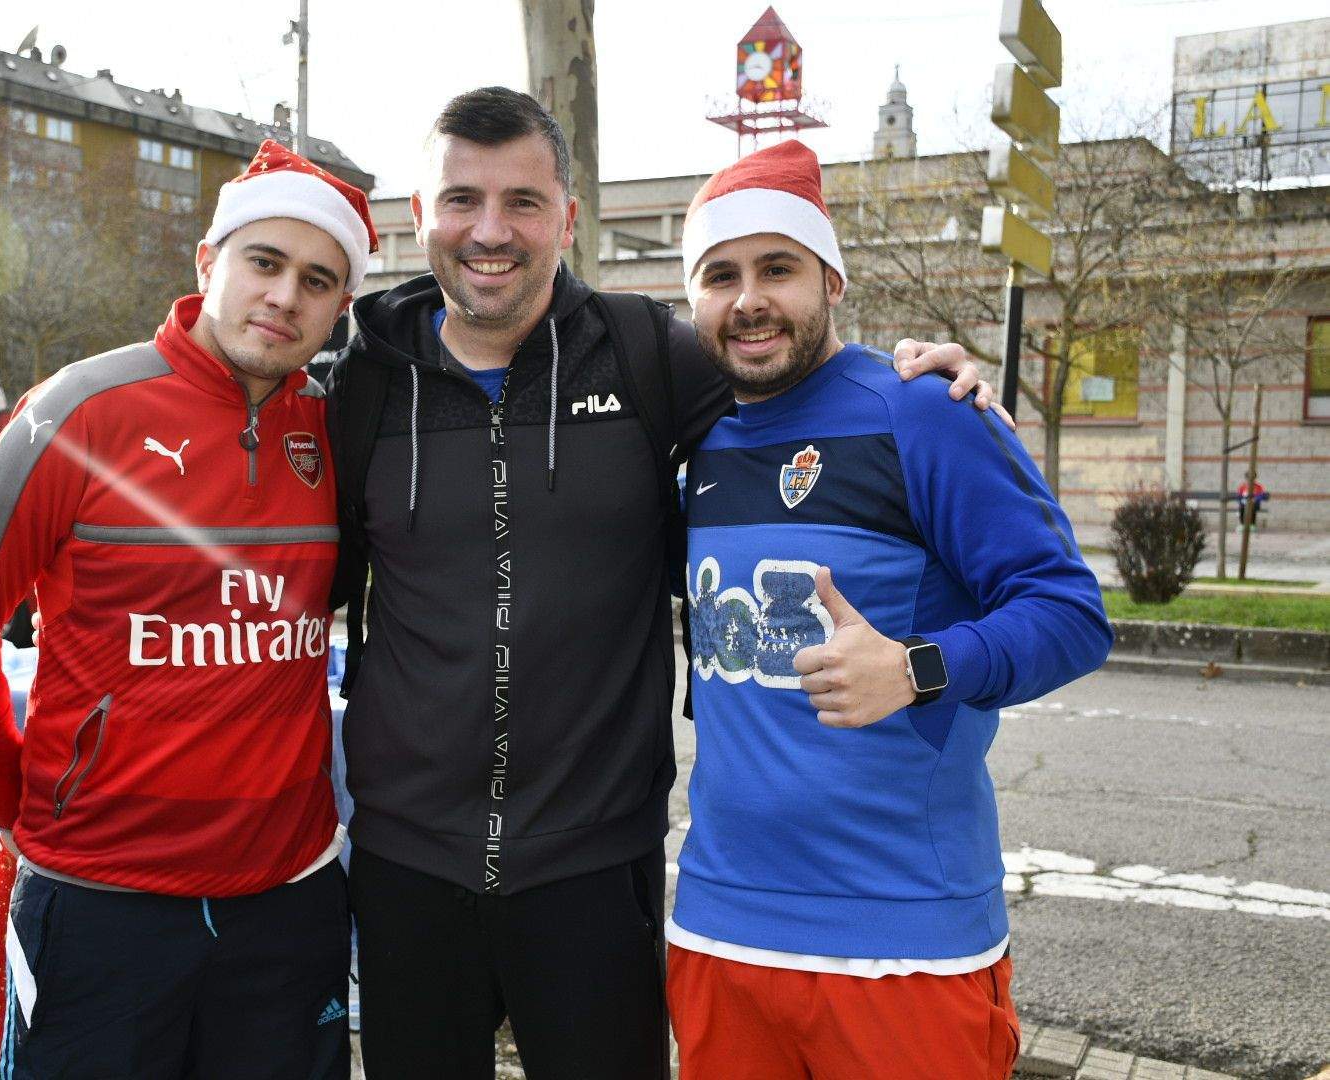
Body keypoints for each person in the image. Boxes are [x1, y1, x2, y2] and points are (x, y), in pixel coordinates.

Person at [326, 87, 1004, 1080]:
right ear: (417, 219)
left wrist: (938, 385)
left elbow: (791, 366)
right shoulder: (358, 381)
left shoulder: (650, 354)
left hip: (595, 871)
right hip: (408, 868)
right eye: (460, 200)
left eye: (522, 201)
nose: (490, 230)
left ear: (567, 217)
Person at [0, 140, 375, 1080]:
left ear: (340, 308)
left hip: (289, 896)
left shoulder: (338, 431)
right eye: (264, 263)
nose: (285, 297)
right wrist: (18, 799)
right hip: (100, 896)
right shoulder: (77, 410)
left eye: (317, 281)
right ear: (209, 264)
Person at [666, 138, 1113, 1079]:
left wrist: (918, 668)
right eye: (720, 275)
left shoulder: (923, 409)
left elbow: (1070, 611)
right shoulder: (697, 441)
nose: (748, 299)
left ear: (830, 279)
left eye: (776, 268)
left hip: (905, 942)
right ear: (693, 301)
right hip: (721, 931)